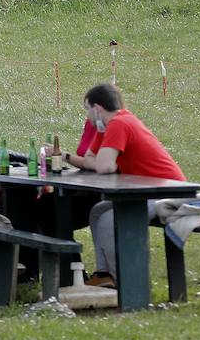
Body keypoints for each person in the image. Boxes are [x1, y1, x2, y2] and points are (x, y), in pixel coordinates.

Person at [66, 83, 185, 287]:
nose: (87, 116)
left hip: (168, 191)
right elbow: (89, 160)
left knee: (108, 219)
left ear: (98, 108)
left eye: (87, 110)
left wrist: (100, 162)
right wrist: (68, 157)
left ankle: (126, 281)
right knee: (97, 212)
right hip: (144, 190)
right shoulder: (107, 127)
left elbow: (104, 167)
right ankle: (105, 274)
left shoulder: (120, 123)